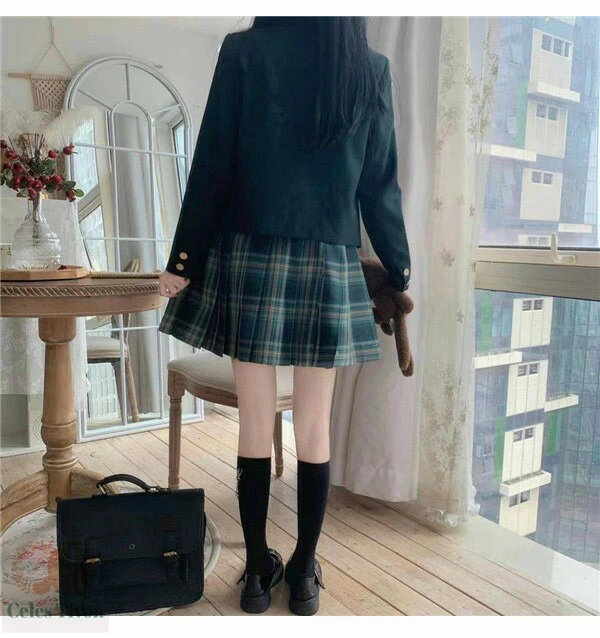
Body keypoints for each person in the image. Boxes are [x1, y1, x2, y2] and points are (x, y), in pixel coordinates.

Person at [158, 16, 411, 616]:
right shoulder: (367, 67)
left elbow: (213, 163)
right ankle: (303, 576)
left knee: (254, 423)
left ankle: (254, 573)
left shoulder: (244, 51)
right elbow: (378, 184)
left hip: (251, 254)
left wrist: (183, 259)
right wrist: (397, 268)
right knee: (314, 428)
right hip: (329, 263)